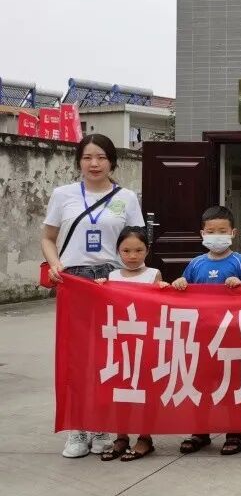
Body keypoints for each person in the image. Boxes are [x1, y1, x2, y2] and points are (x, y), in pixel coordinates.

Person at [42, 133, 145, 459]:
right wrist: (55, 264)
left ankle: (100, 425)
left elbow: (136, 242)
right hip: (74, 280)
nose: (94, 163)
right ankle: (77, 429)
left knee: (106, 357)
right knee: (76, 358)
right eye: (87, 157)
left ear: (112, 161)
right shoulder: (63, 195)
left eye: (101, 157)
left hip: (111, 281)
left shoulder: (126, 198)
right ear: (79, 162)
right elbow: (48, 237)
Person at [171, 206, 241, 456]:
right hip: (202, 335)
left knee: (231, 384)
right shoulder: (195, 263)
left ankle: (235, 432)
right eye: (211, 231)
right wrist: (180, 283)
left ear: (233, 233)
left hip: (232, 335)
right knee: (201, 384)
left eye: (222, 231)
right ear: (202, 234)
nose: (216, 236)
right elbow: (183, 292)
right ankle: (200, 431)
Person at [95, 227, 162, 462]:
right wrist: (98, 288)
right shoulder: (112, 277)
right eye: (126, 251)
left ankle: (145, 437)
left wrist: (165, 290)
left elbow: (159, 307)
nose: (132, 256)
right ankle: (121, 436)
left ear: (147, 251)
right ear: (118, 251)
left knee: (145, 391)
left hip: (145, 342)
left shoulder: (153, 274)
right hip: (120, 343)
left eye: (138, 250)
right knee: (120, 390)